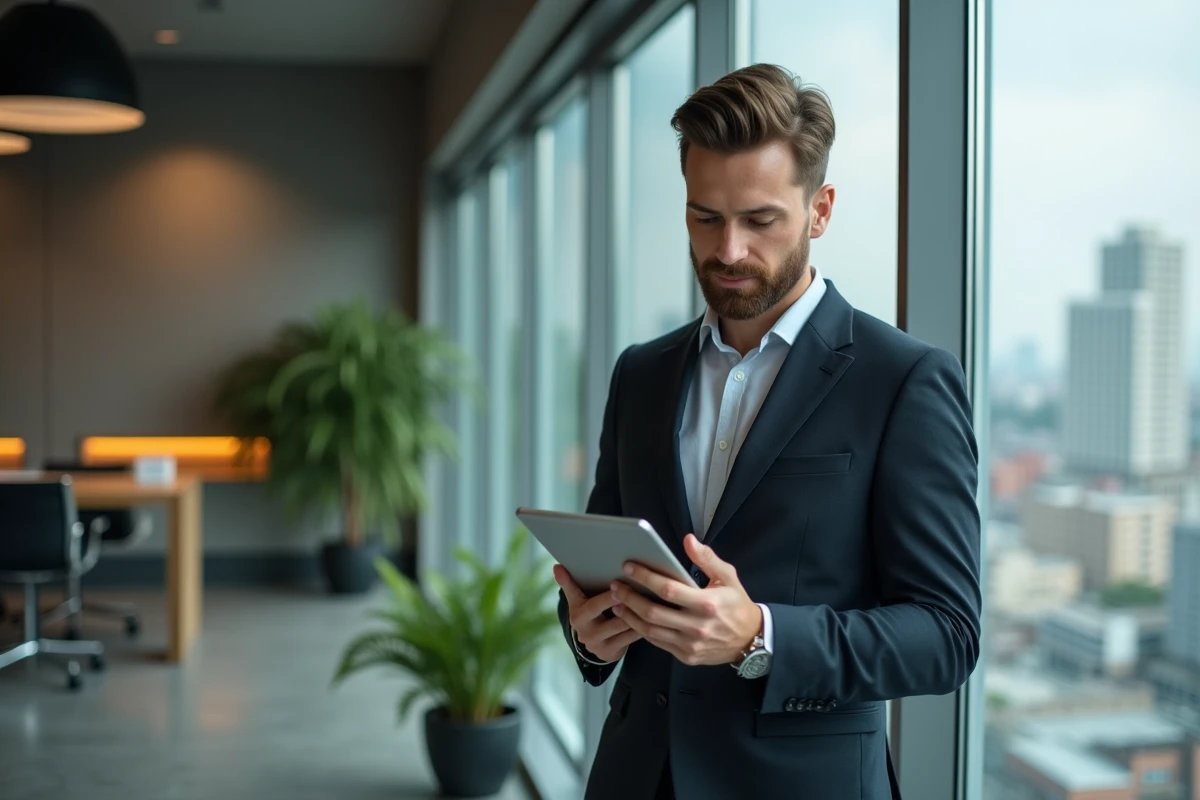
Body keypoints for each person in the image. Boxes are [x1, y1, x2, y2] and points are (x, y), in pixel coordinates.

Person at [551, 63, 981, 800]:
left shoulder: (904, 381)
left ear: (820, 210)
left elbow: (946, 635)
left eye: (760, 220)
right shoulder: (641, 374)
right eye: (705, 216)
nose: (728, 252)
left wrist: (759, 638)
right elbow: (605, 567)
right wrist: (587, 633)